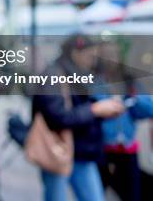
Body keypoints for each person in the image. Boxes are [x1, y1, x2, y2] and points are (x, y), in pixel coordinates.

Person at [32, 34, 125, 201]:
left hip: (82, 152)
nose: (92, 60)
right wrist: (95, 110)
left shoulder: (82, 74)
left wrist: (105, 110)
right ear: (76, 53)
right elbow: (57, 117)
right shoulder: (53, 75)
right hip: (58, 151)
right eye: (89, 55)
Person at [94, 39, 153, 201]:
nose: (110, 59)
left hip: (127, 149)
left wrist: (133, 98)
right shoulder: (93, 82)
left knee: (133, 195)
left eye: (113, 54)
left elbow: (148, 110)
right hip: (102, 149)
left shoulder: (129, 81)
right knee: (97, 194)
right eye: (106, 55)